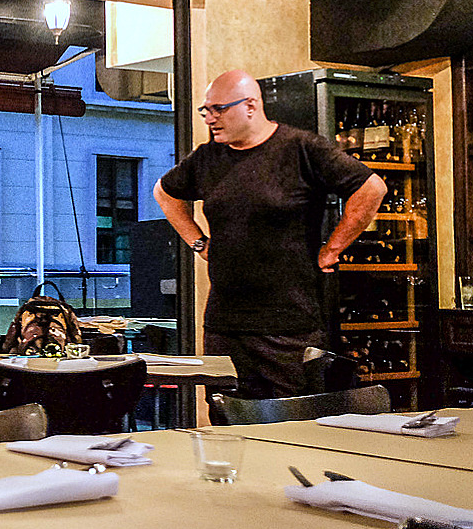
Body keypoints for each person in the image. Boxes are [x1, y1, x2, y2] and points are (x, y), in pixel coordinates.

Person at [153, 69, 386, 398]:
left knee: (292, 423)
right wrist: (198, 242)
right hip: (225, 326)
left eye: (219, 109)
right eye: (206, 110)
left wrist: (333, 248)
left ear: (250, 106)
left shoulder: (301, 148)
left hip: (289, 328)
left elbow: (371, 188)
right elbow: (164, 193)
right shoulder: (207, 158)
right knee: (227, 420)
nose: (210, 118)